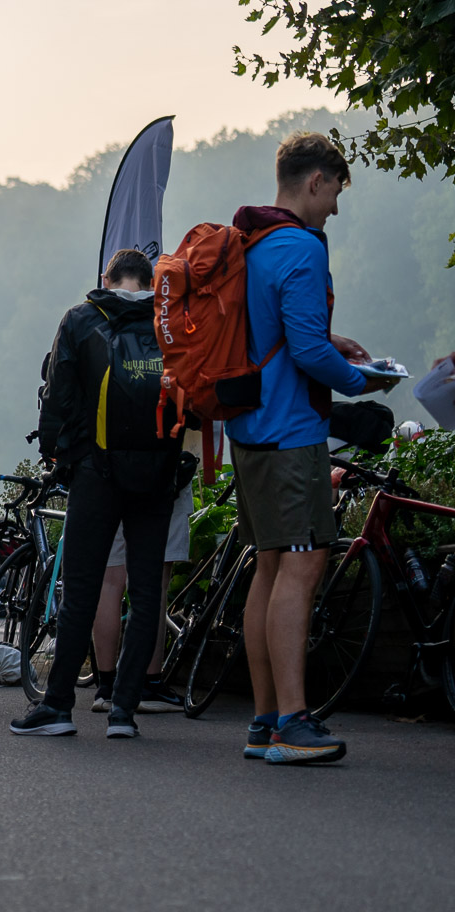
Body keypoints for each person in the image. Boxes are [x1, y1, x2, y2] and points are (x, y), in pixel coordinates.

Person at [229, 132, 394, 764]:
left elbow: (277, 329)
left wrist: (332, 340)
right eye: (335, 192)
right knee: (301, 566)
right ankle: (293, 725)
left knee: (270, 567)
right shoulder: (299, 246)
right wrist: (365, 380)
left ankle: (264, 720)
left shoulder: (252, 240)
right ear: (315, 181)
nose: (336, 207)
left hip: (249, 429)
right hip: (290, 432)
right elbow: (305, 351)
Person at [10, 249, 185, 739]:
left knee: (82, 588)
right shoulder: (171, 323)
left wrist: (57, 455)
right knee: (146, 593)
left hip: (96, 473)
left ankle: (57, 706)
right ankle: (124, 712)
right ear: (149, 281)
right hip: (157, 474)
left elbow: (57, 396)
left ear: (107, 279)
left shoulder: (81, 319)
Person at [89, 481, 193, 714]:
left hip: (109, 478)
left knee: (109, 582)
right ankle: (149, 684)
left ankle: (106, 688)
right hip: (161, 481)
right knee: (154, 583)